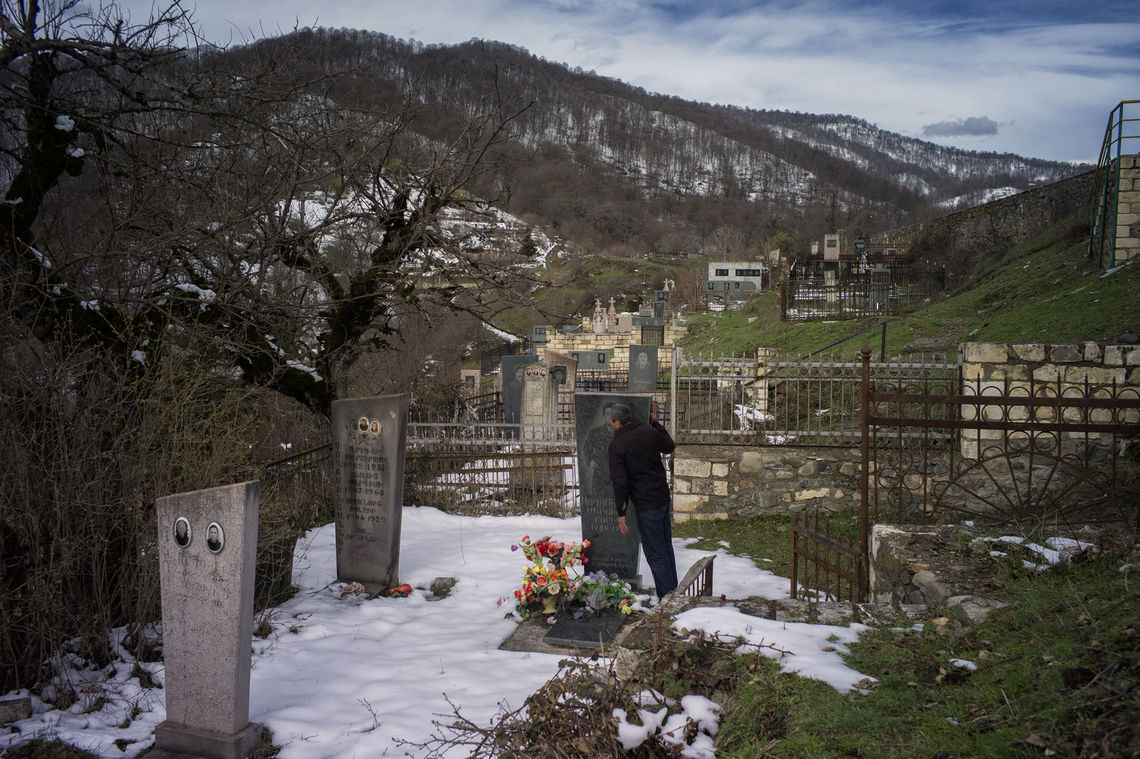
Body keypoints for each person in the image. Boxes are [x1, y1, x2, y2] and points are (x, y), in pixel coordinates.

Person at [606, 402, 678, 598]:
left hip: (647, 505)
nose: (611, 425)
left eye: (611, 421)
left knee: (656, 553)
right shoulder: (648, 431)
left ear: (618, 422)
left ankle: (668, 599)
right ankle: (674, 592)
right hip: (662, 497)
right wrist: (655, 423)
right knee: (665, 546)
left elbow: (620, 482)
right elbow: (669, 446)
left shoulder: (617, 445)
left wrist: (621, 512)